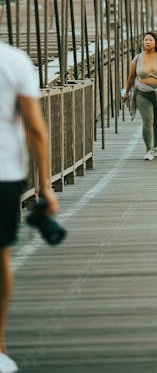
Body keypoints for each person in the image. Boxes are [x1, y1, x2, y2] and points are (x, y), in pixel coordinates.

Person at [0, 41, 59, 373]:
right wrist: (45, 186)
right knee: (0, 255)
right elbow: (35, 128)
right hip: (4, 173)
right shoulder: (13, 61)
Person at [123, 32, 157, 161]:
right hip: (143, 92)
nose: (147, 42)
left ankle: (156, 147)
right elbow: (131, 77)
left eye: (150, 40)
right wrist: (126, 93)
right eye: (145, 40)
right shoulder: (137, 59)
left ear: (155, 43)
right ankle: (148, 149)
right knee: (148, 121)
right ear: (143, 43)